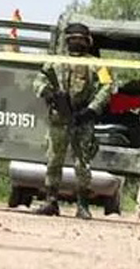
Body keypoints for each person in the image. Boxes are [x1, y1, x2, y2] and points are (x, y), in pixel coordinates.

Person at [33, 21, 113, 219]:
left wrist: (91, 109)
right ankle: (51, 201)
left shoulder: (97, 64)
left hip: (83, 119)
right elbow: (38, 81)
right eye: (73, 39)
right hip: (59, 118)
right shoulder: (55, 61)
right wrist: (50, 95)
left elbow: (107, 86)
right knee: (54, 160)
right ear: (67, 41)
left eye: (81, 39)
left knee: (82, 164)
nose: (77, 43)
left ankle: (82, 205)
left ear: (88, 42)